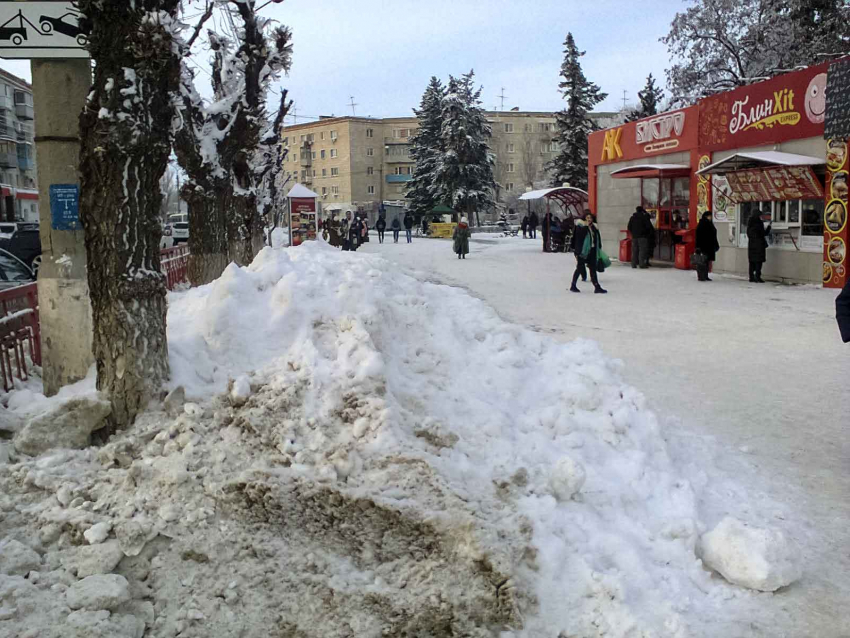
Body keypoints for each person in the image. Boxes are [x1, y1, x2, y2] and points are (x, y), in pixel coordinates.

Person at [569, 212, 606, 294]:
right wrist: (585, 226)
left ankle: (597, 286)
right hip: (582, 251)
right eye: (587, 218)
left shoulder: (594, 227)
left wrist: (598, 247)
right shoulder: (580, 226)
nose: (589, 219)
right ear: (584, 218)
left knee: (593, 269)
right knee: (580, 268)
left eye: (590, 218)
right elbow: (579, 238)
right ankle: (573, 285)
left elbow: (597, 238)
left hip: (592, 250)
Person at [746, 209, 771, 283]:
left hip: (751, 246)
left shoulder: (750, 224)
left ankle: (751, 277)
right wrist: (769, 227)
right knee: (758, 262)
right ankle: (757, 277)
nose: (761, 217)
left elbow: (749, 234)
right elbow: (763, 233)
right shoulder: (758, 223)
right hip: (759, 245)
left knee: (752, 262)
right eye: (760, 215)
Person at [695, 211, 720, 281]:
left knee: (707, 261)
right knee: (702, 261)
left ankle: (705, 275)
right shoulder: (702, 224)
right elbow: (698, 236)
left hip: (709, 246)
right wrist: (698, 247)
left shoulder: (710, 224)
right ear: (706, 216)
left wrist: (716, 244)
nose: (711, 217)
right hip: (703, 246)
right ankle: (701, 276)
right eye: (709, 216)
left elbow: (713, 235)